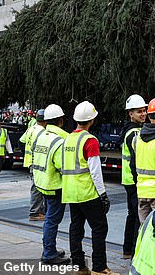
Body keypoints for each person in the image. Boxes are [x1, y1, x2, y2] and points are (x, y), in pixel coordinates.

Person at [61, 101, 118, 275]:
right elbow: (95, 172)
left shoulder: (68, 138)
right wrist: (103, 194)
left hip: (71, 191)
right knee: (100, 227)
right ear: (92, 120)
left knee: (76, 227)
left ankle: (79, 265)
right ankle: (100, 267)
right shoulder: (90, 140)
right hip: (87, 192)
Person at [31, 111, 69, 265]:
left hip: (43, 184)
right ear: (61, 120)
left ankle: (49, 248)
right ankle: (49, 253)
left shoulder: (41, 136)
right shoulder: (60, 141)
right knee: (52, 221)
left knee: (49, 219)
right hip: (54, 185)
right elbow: (62, 166)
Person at [121, 94, 148, 260]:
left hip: (128, 179)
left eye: (144, 111)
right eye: (139, 111)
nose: (143, 114)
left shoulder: (130, 130)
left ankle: (127, 250)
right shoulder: (134, 133)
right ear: (130, 113)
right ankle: (135, 253)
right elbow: (137, 159)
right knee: (138, 217)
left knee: (132, 216)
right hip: (134, 180)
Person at [20, 108, 47, 221]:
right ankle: (35, 213)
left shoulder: (31, 129)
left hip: (30, 162)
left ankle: (38, 210)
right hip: (37, 162)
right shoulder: (43, 132)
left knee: (37, 186)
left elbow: (21, 141)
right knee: (37, 187)